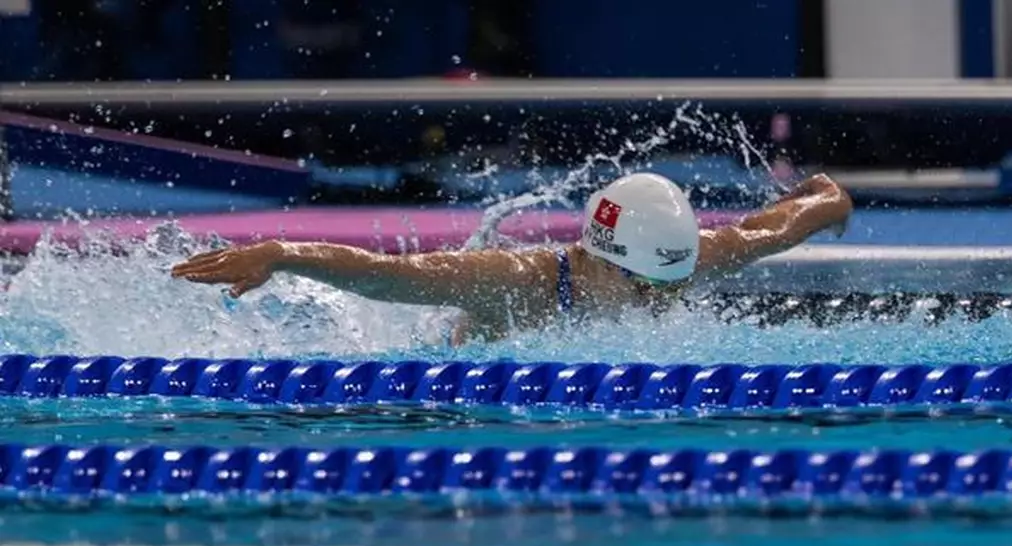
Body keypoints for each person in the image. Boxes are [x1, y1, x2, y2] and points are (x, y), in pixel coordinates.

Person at [171, 172, 852, 344]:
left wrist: (826, 200)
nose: (663, 302)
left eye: (672, 287)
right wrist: (283, 252)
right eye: (649, 286)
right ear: (603, 258)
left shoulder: (677, 260)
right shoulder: (515, 281)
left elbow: (769, 230)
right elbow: (391, 275)